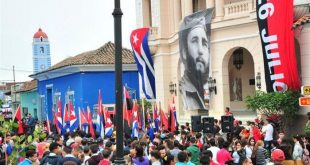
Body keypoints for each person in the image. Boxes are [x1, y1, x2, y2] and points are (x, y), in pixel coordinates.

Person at [179, 11, 210, 111]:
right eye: (194, 41)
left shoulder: (207, 86)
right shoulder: (183, 92)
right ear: (184, 52)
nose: (200, 50)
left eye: (204, 43)